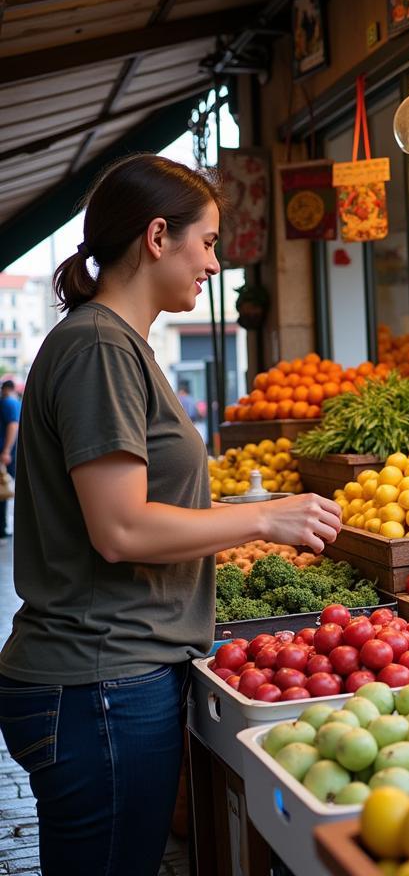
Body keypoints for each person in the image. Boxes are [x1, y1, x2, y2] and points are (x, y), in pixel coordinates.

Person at [0, 155, 342, 876]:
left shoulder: (118, 344)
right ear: (158, 237)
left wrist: (240, 513)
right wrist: (263, 519)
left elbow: (144, 509)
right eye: (209, 241)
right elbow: (120, 530)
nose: (215, 263)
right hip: (99, 682)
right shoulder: (99, 347)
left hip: (107, 681)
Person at [0, 378, 19, 539]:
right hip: (10, 453)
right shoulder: (15, 402)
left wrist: (6, 451)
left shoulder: (7, 403)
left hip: (7, 454)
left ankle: (2, 528)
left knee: (3, 490)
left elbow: (13, 425)